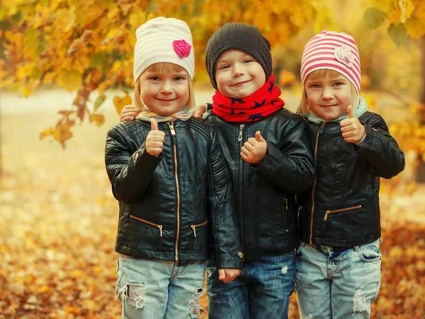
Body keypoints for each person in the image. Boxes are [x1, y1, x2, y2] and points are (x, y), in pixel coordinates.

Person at [121, 22, 315, 319]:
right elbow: (173, 132)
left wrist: (268, 159)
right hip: (221, 257)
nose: (238, 71)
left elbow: (303, 178)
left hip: (274, 255)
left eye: (248, 61)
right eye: (225, 65)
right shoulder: (206, 125)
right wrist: (140, 118)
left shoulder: (287, 124)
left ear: (265, 65)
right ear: (213, 76)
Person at [105, 17, 242, 319]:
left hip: (191, 261)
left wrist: (228, 255)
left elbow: (219, 198)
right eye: (154, 78)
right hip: (144, 258)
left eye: (178, 78)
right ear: (139, 83)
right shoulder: (124, 134)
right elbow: (123, 188)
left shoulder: (204, 133)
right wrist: (146, 155)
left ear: (189, 83)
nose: (167, 88)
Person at [294, 30, 405, 319]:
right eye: (315, 85)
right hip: (310, 252)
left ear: (353, 85)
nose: (327, 94)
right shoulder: (298, 126)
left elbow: (394, 164)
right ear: (305, 90)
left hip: (356, 252)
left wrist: (366, 138)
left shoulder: (369, 123)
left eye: (337, 83)